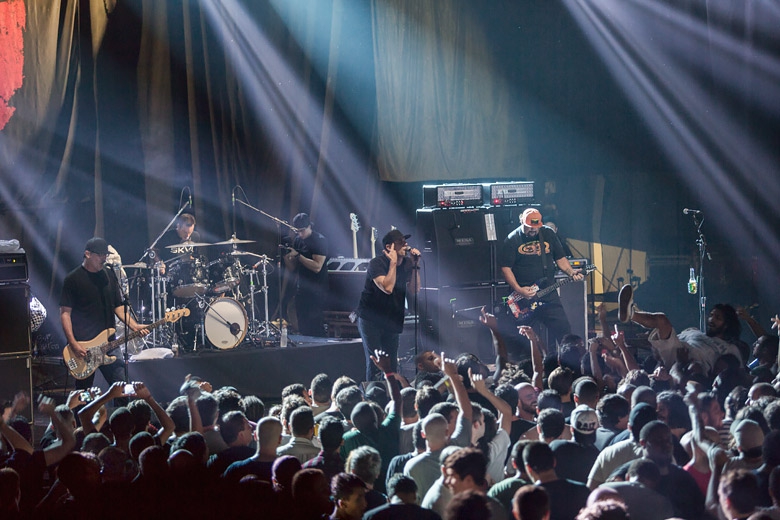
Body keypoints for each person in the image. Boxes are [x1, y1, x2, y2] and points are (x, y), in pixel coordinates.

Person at [60, 237, 149, 390]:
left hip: (109, 343)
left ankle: (121, 414)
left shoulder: (109, 276)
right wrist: (73, 343)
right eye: (100, 254)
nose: (104, 258)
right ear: (87, 254)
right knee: (83, 395)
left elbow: (119, 307)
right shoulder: (72, 279)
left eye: (105, 255)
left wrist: (135, 326)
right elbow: (65, 313)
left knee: (123, 389)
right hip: (84, 347)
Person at [498, 208, 584, 350]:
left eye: (536, 227)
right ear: (521, 221)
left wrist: (571, 272)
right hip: (524, 297)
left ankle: (569, 361)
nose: (533, 230)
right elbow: (505, 268)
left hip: (548, 293)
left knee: (564, 332)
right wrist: (519, 289)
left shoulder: (548, 233)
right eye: (530, 227)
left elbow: (560, 258)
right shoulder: (513, 239)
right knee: (522, 339)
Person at [617, 284, 744, 375]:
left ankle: (633, 312)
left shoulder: (729, 348)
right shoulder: (693, 331)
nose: (711, 320)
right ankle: (631, 314)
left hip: (692, 367)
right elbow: (669, 340)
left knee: (662, 320)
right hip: (676, 351)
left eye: (718, 318)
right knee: (661, 320)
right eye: (711, 315)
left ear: (726, 324)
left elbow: (738, 374)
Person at [356, 229, 421, 381]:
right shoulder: (376, 264)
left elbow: (414, 289)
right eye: (401, 242)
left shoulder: (406, 264)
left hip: (392, 319)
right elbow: (387, 288)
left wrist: (415, 266)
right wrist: (393, 263)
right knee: (376, 363)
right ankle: (374, 396)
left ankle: (392, 396)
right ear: (388, 247)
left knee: (392, 364)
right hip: (371, 319)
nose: (405, 245)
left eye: (405, 241)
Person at [283, 213, 329, 336]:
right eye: (297, 231)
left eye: (302, 231)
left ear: (309, 226)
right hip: (301, 288)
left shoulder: (319, 240)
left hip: (316, 289)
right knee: (302, 325)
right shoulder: (298, 240)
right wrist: (287, 257)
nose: (300, 234)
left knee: (315, 325)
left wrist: (298, 256)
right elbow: (292, 268)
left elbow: (317, 267)